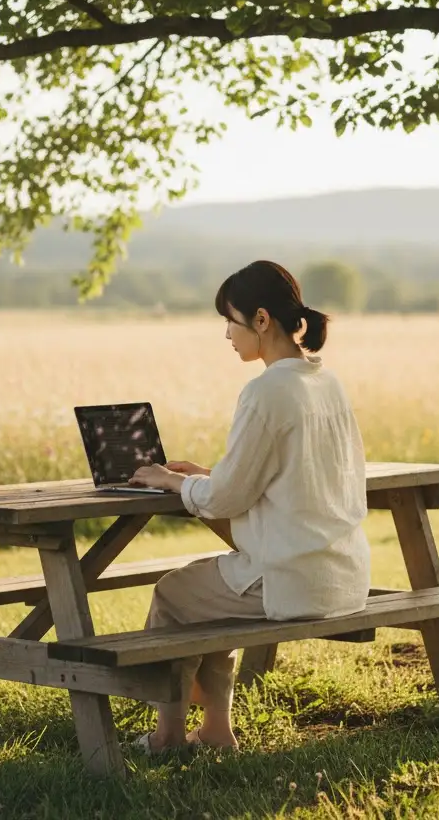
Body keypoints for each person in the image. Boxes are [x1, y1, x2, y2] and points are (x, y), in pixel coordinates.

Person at [128, 260, 371, 753]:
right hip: (343, 574)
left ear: (261, 320)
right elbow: (280, 476)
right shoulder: (326, 383)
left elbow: (226, 499)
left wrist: (172, 482)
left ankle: (168, 735)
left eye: (231, 321)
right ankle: (215, 730)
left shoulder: (266, 391)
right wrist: (206, 476)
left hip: (292, 579)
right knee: (209, 592)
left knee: (175, 596)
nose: (226, 334)